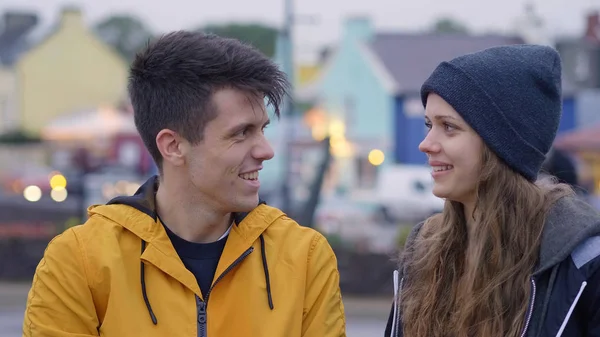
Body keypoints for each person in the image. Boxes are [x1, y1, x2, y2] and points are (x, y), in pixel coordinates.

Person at [23, 31, 346, 337]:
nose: (266, 150)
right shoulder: (79, 261)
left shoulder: (304, 257)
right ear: (173, 146)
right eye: (241, 132)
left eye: (262, 128)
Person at [384, 45, 600, 337]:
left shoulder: (583, 261)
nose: (426, 143)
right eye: (428, 124)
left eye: (448, 127)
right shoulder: (423, 249)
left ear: (500, 145)